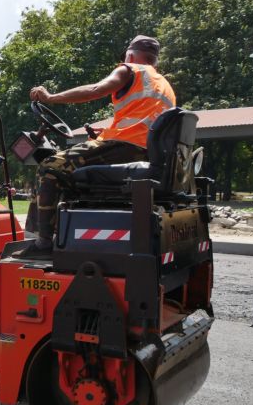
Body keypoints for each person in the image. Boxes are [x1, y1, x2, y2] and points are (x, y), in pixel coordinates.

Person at [18, 35, 176, 259]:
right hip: (143, 151)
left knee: (49, 166)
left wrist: (50, 97)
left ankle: (42, 243)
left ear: (130, 54)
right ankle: (63, 231)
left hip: (124, 146)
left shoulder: (129, 69)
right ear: (155, 60)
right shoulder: (165, 85)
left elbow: (95, 89)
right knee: (69, 170)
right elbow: (143, 124)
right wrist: (103, 135)